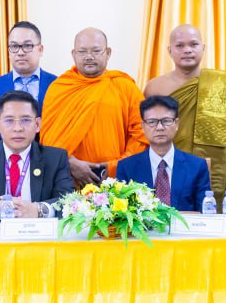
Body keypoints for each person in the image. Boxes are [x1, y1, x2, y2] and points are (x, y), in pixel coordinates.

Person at [40, 28, 148, 187]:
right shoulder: (59, 88)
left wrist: (115, 166)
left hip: (116, 183)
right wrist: (69, 163)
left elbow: (141, 134)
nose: (89, 57)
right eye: (82, 51)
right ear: (74, 54)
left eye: (96, 51)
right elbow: (47, 137)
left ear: (108, 53)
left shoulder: (125, 87)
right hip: (67, 181)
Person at [143, 25, 226, 196]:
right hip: (166, 172)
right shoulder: (154, 88)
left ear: (203, 48)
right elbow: (145, 135)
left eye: (193, 44)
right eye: (180, 45)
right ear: (169, 50)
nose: (187, 50)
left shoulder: (221, 85)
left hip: (211, 173)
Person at [0, 90, 75, 221]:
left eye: (25, 120)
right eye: (9, 120)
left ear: (37, 125)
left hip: (37, 231)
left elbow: (68, 199)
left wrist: (38, 210)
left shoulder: (56, 157)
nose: (18, 128)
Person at [116, 95, 213, 211]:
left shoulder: (197, 166)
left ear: (176, 124)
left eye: (166, 121)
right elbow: (122, 214)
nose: (159, 127)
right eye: (152, 122)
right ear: (143, 126)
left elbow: (205, 213)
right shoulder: (126, 167)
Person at [0, 21, 57, 145]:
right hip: (4, 157)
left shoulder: (57, 85)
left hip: (49, 155)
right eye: (14, 46)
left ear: (40, 50)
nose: (20, 52)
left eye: (27, 46)